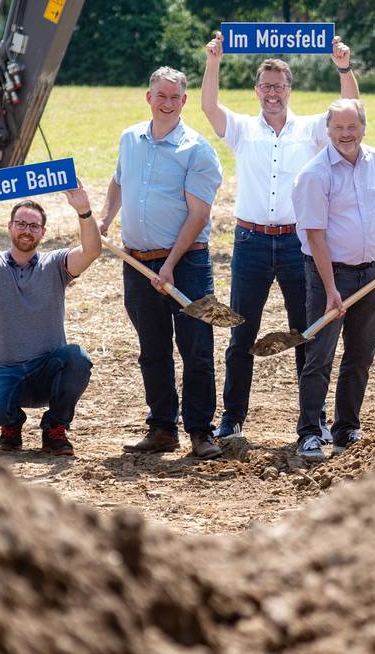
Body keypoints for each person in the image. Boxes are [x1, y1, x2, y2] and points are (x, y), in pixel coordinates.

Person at [201, 32, 359, 441]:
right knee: (241, 332)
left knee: (305, 333)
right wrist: (213, 61)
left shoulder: (309, 130)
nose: (273, 93)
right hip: (250, 241)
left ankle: (314, 420)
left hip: (296, 243)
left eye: (280, 86)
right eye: (266, 86)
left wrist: (344, 68)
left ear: (290, 90)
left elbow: (351, 109)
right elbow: (208, 107)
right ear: (257, 90)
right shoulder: (241, 129)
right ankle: (232, 418)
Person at [100, 66, 224, 459]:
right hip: (136, 264)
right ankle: (162, 428)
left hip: (187, 264)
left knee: (196, 349)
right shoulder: (129, 139)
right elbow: (119, 181)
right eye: (161, 96)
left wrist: (169, 264)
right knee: (152, 349)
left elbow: (199, 216)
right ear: (148, 98)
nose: (167, 103)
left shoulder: (198, 150)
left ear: (184, 101)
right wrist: (104, 220)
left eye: (175, 97)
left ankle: (201, 432)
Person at [291, 98, 375, 461]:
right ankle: (310, 433)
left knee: (360, 355)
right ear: (328, 131)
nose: (346, 134)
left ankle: (347, 428)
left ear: (363, 127)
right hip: (329, 274)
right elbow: (314, 236)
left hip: (368, 272)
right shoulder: (315, 175)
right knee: (320, 356)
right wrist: (330, 290)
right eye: (339, 128)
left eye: (352, 127)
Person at [0, 185, 101, 455]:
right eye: (21, 223)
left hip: (46, 371)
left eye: (34, 225)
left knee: (78, 358)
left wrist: (84, 212)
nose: (26, 230)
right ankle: (11, 423)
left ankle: (54, 428)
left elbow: (91, 252)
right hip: (5, 370)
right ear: (9, 226)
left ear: (43, 232)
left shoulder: (55, 265)